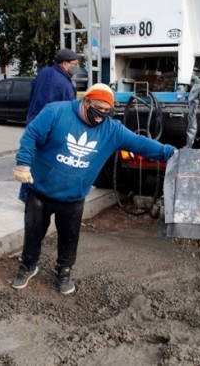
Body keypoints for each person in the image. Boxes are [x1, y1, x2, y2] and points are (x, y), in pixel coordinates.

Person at [12, 83, 176, 294]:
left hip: (73, 196)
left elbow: (140, 143)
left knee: (69, 238)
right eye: (98, 108)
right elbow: (31, 135)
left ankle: (64, 271)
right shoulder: (56, 112)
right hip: (41, 190)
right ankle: (28, 266)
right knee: (33, 233)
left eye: (107, 111)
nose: (101, 115)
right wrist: (23, 162)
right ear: (86, 101)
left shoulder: (111, 130)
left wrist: (171, 153)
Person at [18, 48, 79, 202]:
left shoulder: (44, 72)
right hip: (50, 128)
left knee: (32, 159)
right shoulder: (64, 85)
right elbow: (67, 111)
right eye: (74, 64)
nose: (76, 67)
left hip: (33, 123)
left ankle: (26, 195)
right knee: (46, 163)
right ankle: (34, 196)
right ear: (64, 64)